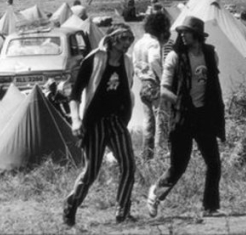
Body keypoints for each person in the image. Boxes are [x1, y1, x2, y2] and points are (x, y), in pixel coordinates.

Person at [147, 16, 225, 219]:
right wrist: (182, 105)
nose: (182, 35)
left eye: (186, 31)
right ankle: (156, 193)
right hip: (182, 117)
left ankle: (210, 207)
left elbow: (213, 83)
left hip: (204, 116)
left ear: (197, 35)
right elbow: (164, 90)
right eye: (180, 31)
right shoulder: (175, 57)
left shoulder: (210, 54)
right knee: (178, 166)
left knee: (214, 163)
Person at [63, 24, 136, 227]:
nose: (127, 44)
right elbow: (75, 93)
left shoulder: (127, 63)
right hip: (94, 122)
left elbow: (127, 91)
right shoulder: (94, 59)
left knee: (129, 164)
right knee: (91, 172)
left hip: (115, 121)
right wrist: (75, 120)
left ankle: (123, 210)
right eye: (123, 39)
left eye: (130, 39)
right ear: (112, 40)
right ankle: (71, 206)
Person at [134, 12, 171, 160]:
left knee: (148, 122)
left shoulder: (138, 43)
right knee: (161, 120)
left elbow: (135, 64)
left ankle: (147, 154)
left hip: (143, 84)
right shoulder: (154, 43)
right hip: (155, 84)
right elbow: (154, 59)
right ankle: (161, 154)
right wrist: (163, 79)